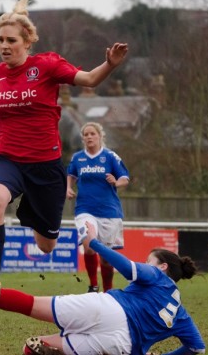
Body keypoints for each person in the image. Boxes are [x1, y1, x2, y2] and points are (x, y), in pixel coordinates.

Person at [0, 0, 128, 303]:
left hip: (46, 166)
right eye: (0, 40)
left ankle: (30, 210)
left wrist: (109, 64)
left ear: (27, 42)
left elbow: (89, 78)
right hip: (6, 158)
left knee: (47, 245)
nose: (4, 45)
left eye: (11, 40)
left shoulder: (47, 65)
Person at [0, 221, 206, 355]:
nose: (146, 264)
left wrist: (94, 243)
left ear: (162, 267)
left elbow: (127, 268)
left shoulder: (156, 276)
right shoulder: (181, 314)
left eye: (150, 261)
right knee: (33, 348)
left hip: (108, 310)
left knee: (31, 305)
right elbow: (197, 349)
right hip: (120, 344)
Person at [67, 122, 130, 293]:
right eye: (86, 135)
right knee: (88, 243)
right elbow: (70, 175)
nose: (89, 137)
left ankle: (108, 292)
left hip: (109, 211)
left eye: (92, 134)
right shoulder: (77, 158)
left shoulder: (110, 157)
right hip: (84, 209)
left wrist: (117, 182)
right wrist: (68, 187)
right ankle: (93, 285)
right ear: (83, 138)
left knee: (106, 258)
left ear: (100, 136)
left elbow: (125, 177)